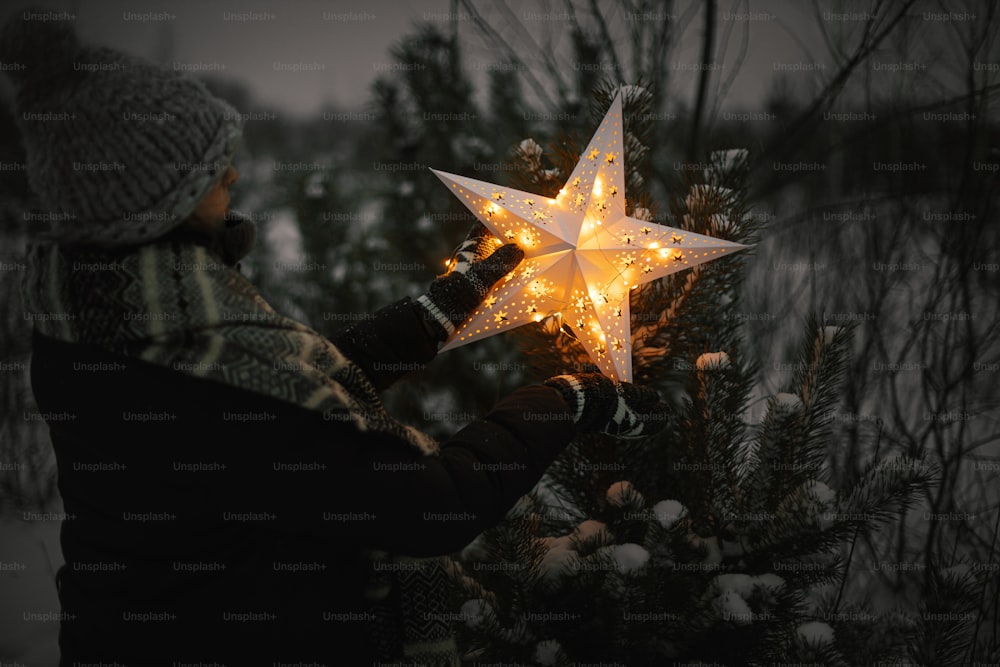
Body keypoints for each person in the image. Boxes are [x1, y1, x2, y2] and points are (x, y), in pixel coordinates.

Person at [3, 11, 669, 666]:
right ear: (147, 203)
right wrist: (563, 400)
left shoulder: (109, 318)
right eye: (209, 168)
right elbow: (429, 504)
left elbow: (290, 395)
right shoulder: (200, 369)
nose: (232, 175)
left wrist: (441, 308)